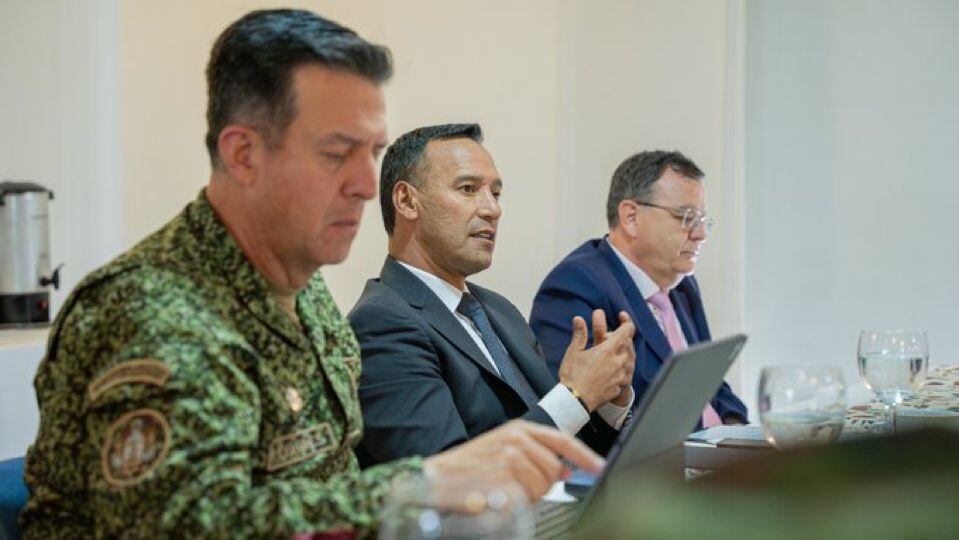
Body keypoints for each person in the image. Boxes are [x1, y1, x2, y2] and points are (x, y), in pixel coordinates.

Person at [20, 10, 603, 538]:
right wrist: (421, 484)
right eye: (335, 153)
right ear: (243, 155)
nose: (361, 183)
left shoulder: (307, 293)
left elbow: (328, 480)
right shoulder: (148, 310)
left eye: (370, 152)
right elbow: (195, 526)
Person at [349, 123, 636, 467]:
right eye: (468, 189)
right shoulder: (380, 322)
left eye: (496, 193)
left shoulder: (498, 309)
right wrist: (575, 396)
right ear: (407, 201)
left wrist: (606, 399)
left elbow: (571, 450)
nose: (492, 210)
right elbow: (447, 480)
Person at [529, 150, 747, 428]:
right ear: (631, 217)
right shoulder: (576, 285)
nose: (700, 234)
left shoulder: (681, 285)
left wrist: (736, 429)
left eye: (703, 221)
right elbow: (583, 421)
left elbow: (710, 384)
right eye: (687, 218)